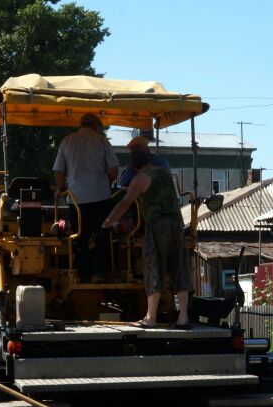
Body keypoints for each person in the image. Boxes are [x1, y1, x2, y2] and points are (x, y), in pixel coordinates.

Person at [101, 146, 191, 329]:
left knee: (153, 267)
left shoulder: (140, 178)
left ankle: (151, 318)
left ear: (133, 167)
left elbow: (125, 203)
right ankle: (183, 317)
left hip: (157, 225)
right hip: (177, 223)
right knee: (179, 269)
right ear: (150, 159)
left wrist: (108, 223)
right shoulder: (166, 173)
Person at [53, 113, 119, 282]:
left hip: (76, 199)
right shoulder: (102, 140)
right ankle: (100, 274)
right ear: (96, 125)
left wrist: (62, 189)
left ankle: (82, 274)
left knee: (79, 236)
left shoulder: (67, 141)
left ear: (81, 124)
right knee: (102, 235)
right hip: (101, 197)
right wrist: (106, 183)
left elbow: (59, 171)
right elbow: (113, 170)